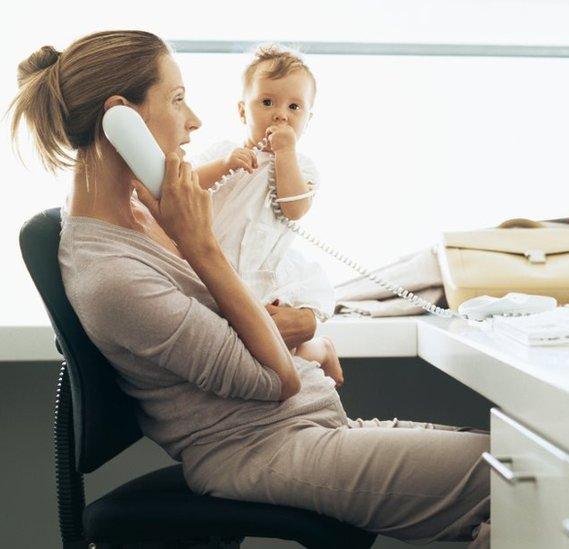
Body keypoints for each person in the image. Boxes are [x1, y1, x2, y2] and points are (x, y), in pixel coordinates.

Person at [8, 30, 489, 546]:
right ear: (121, 117)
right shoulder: (111, 276)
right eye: (176, 99)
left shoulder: (148, 212)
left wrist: (308, 337)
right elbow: (273, 382)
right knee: (518, 480)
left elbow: (236, 323)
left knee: (527, 466)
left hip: (309, 425)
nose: (193, 120)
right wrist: (201, 246)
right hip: (258, 450)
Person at [192, 44, 342, 385]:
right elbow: (185, 187)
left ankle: (321, 349)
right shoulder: (223, 153)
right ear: (242, 110)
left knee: (272, 351)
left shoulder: (302, 167)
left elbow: (295, 207)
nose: (280, 115)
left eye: (294, 107)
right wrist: (224, 165)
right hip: (216, 269)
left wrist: (285, 152)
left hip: (260, 274)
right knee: (246, 354)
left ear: (308, 119)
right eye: (267, 102)